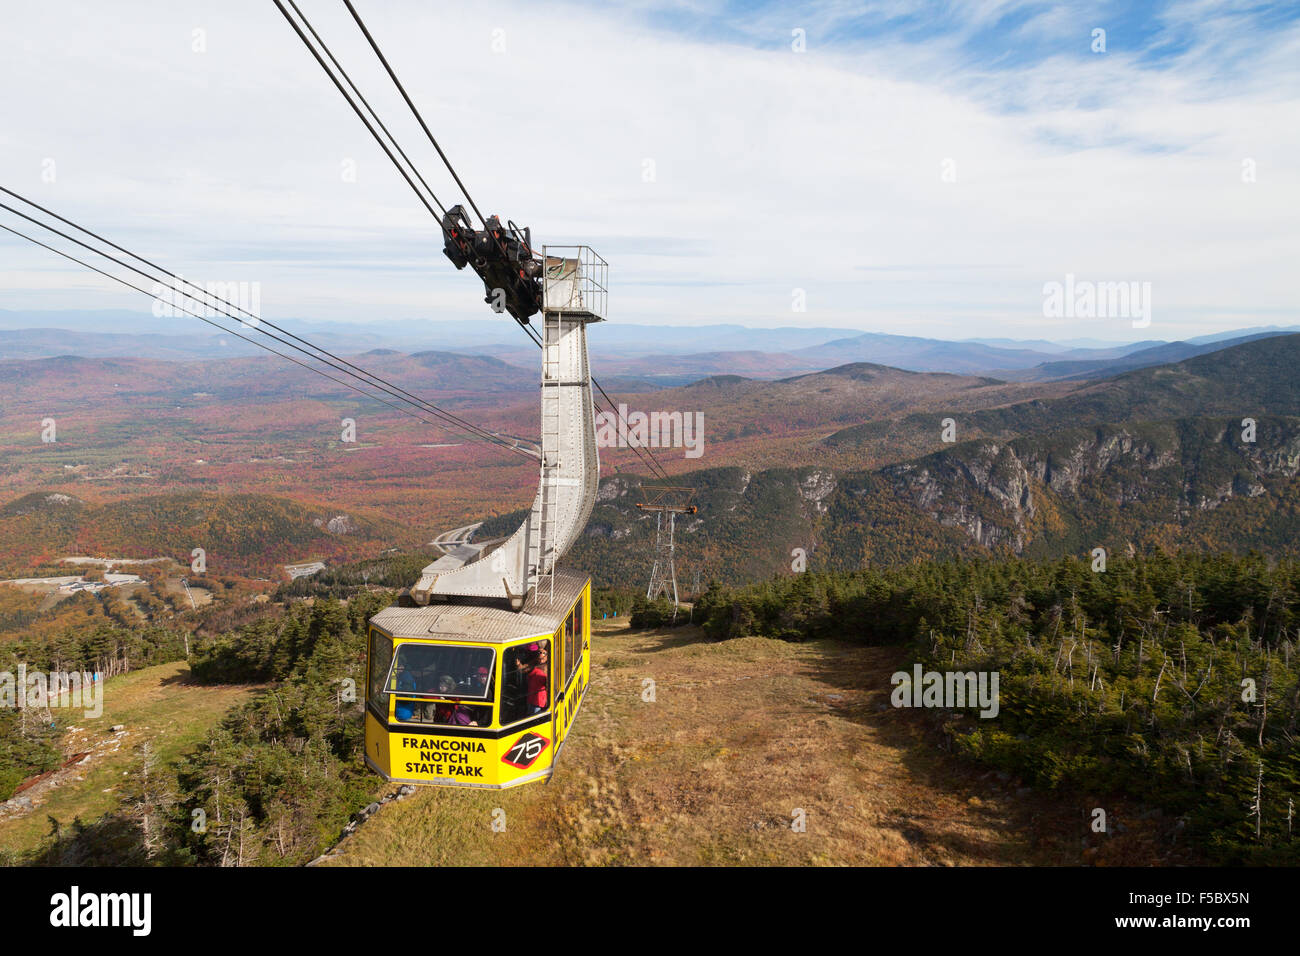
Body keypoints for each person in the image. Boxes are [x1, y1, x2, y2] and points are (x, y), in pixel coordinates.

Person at [527, 643, 550, 715]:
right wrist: (518, 665)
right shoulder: (534, 664)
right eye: (539, 658)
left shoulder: (547, 668)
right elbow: (524, 668)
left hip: (539, 698)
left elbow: (548, 684)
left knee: (535, 716)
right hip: (531, 696)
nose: (541, 660)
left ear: (546, 657)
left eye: (542, 658)